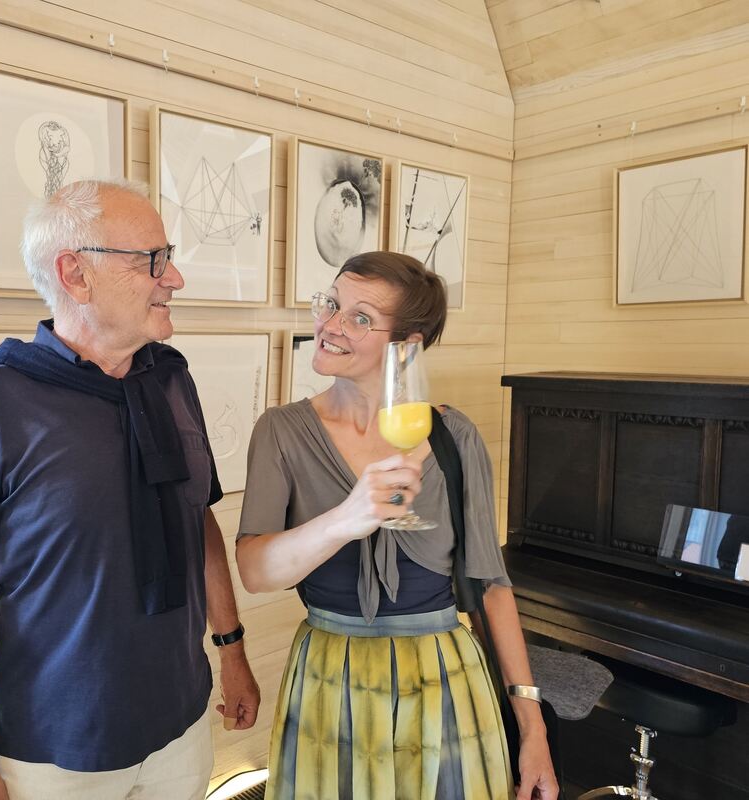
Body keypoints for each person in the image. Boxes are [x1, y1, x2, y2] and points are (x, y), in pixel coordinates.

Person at [0, 178, 260, 800]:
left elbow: (197, 521)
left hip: (183, 725)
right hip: (54, 752)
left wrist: (231, 649)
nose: (174, 278)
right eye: (151, 260)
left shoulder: (172, 380)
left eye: (168, 256)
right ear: (75, 275)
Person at [235, 251, 557, 800]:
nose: (330, 325)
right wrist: (346, 519)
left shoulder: (454, 436)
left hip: (443, 681)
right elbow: (254, 572)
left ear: (407, 343)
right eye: (332, 304)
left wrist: (533, 730)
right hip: (329, 678)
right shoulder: (281, 431)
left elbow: (492, 588)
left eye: (360, 317)